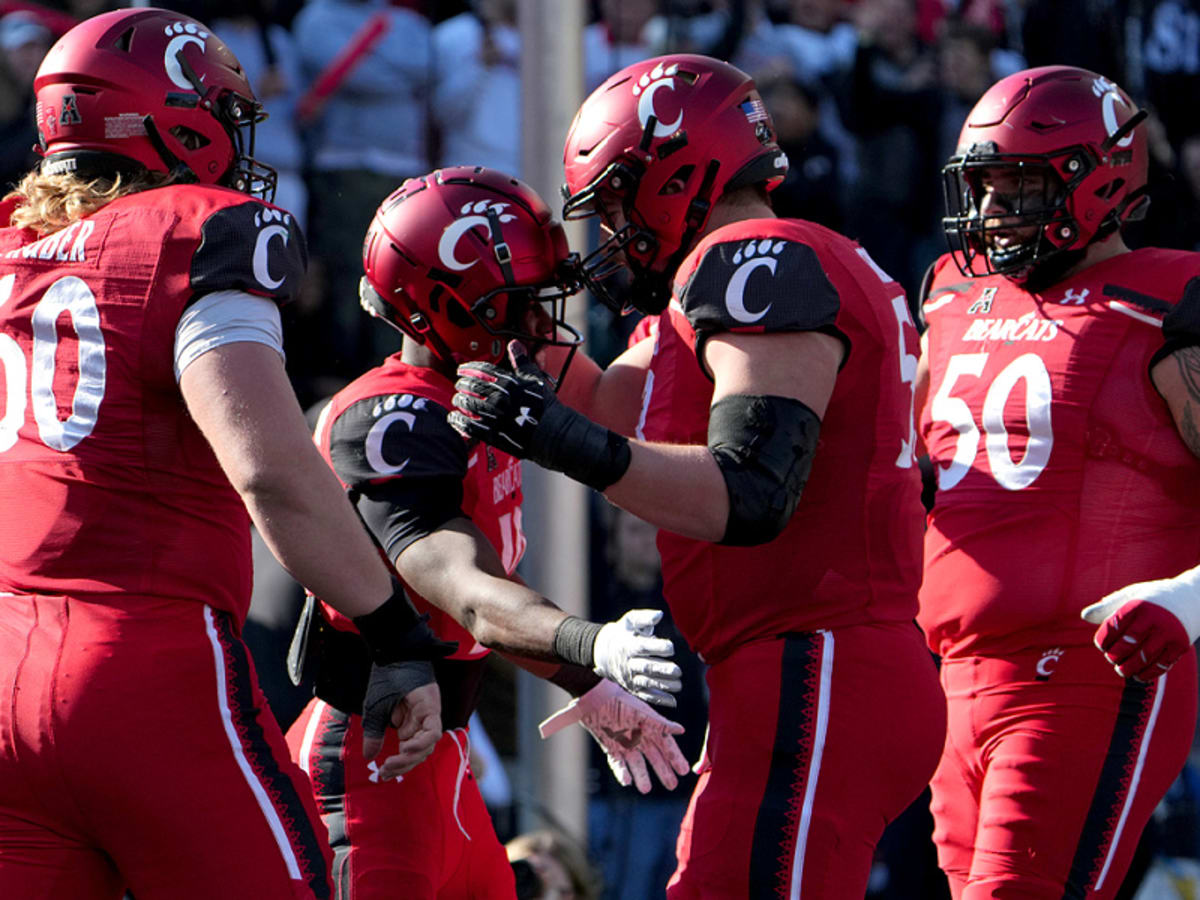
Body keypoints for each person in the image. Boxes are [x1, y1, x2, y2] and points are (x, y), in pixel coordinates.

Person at [450, 53, 947, 899]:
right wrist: (517, 321)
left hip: (821, 656)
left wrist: (552, 435)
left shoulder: (758, 258)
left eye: (613, 202)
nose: (607, 235)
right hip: (791, 666)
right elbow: (618, 412)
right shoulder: (723, 283)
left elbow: (750, 490)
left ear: (676, 171)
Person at [0, 9, 454, 899]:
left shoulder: (11, 244)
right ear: (171, 119)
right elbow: (271, 472)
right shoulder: (199, 231)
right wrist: (393, 629)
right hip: (145, 662)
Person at [284, 165, 690, 898]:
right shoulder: (391, 419)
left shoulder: (484, 382)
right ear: (443, 307)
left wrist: (583, 683)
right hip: (371, 759)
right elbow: (467, 591)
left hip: (440, 759)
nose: (543, 324)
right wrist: (589, 643)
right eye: (522, 305)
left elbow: (619, 406)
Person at [917, 64, 1200, 898]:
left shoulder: (1170, 298)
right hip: (953, 680)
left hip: (1085, 670)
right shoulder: (951, 294)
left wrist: (1191, 597)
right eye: (985, 183)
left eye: (1021, 182)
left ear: (1099, 179)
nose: (995, 207)